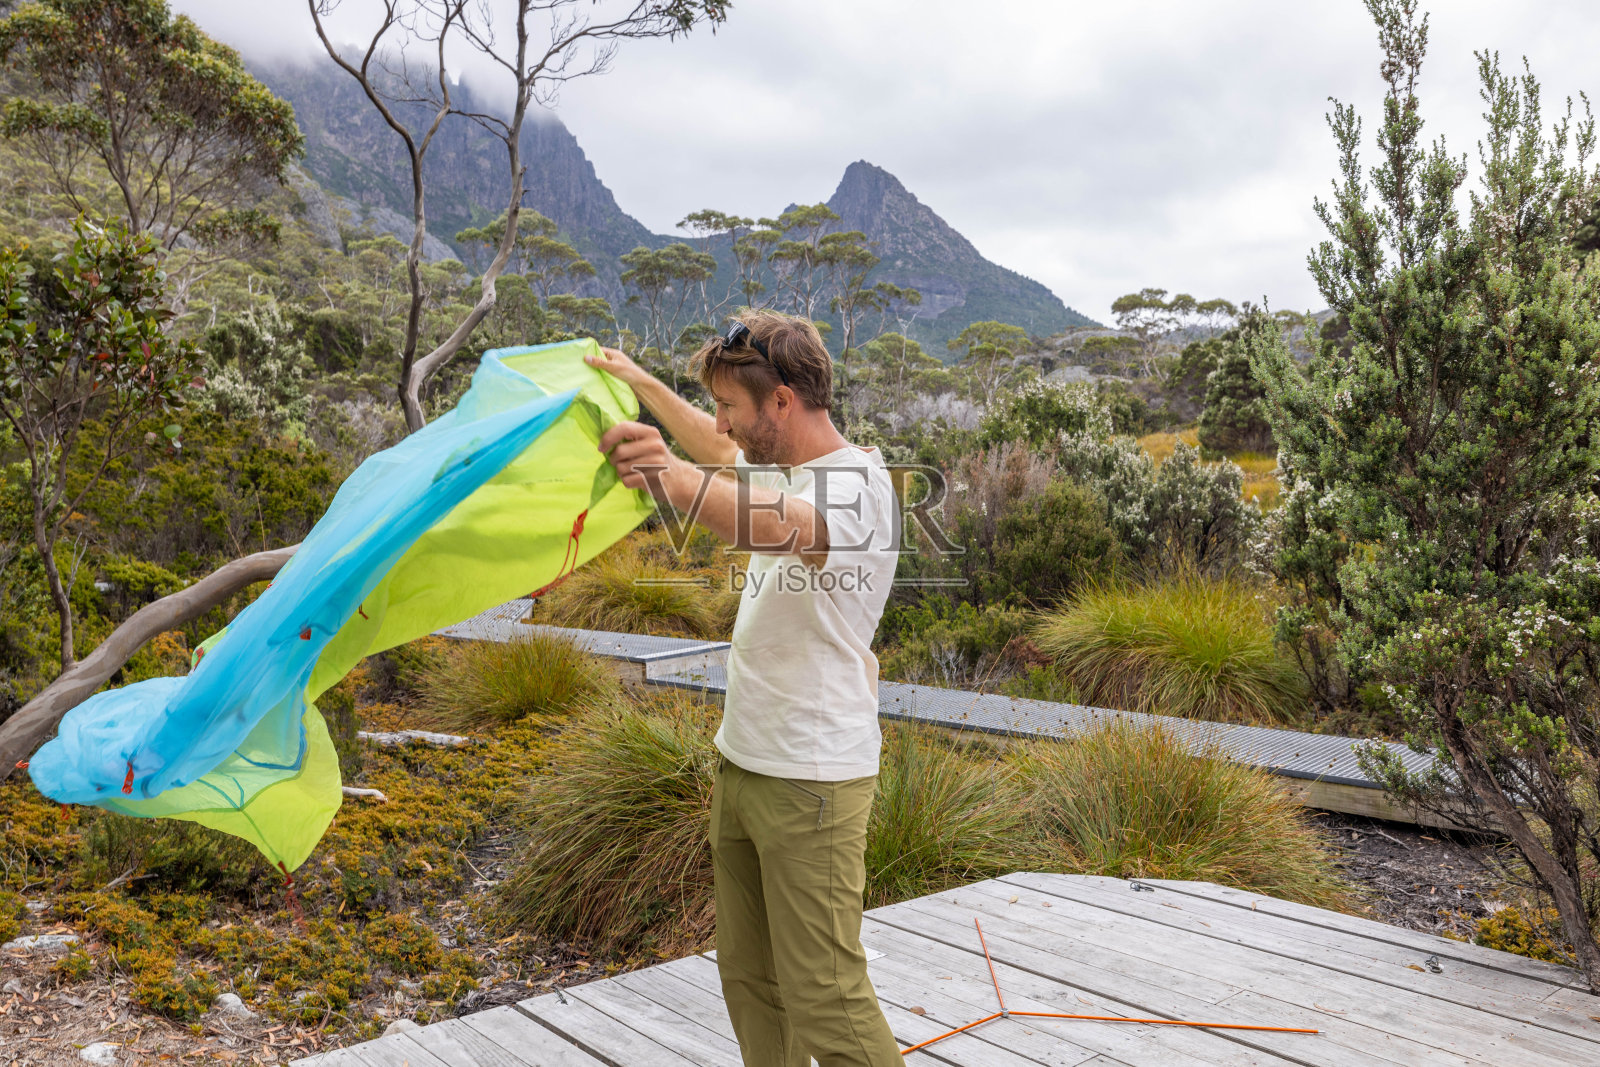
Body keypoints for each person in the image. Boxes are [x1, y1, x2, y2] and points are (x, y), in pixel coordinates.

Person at [587, 310, 904, 1066]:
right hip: (747, 763)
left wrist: (665, 473)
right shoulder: (788, 459)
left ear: (783, 403)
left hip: (813, 781)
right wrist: (638, 383)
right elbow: (716, 444)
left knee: (826, 996)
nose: (723, 422)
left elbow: (771, 523)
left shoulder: (856, 486)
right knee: (751, 983)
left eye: (735, 406)